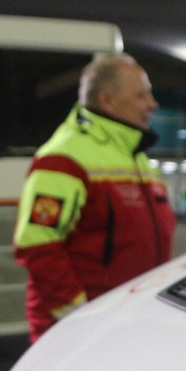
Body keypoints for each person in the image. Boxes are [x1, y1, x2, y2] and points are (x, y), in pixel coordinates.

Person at [13, 52, 175, 342]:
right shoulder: (64, 157)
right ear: (107, 101)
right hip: (81, 333)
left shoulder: (135, 156)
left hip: (124, 324)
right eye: (141, 95)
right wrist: (80, 316)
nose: (153, 104)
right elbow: (37, 244)